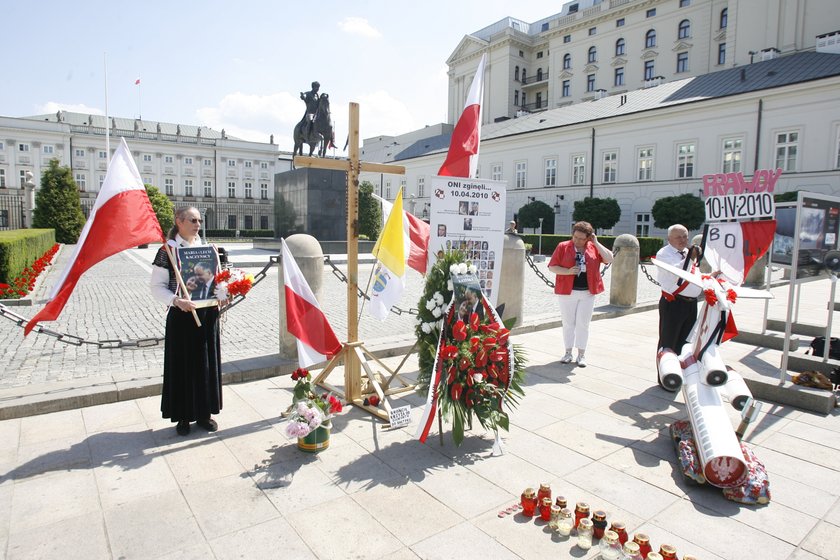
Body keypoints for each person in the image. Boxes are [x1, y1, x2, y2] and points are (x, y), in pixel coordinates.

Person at [150, 206, 224, 436]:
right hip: (182, 315)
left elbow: (219, 280)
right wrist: (175, 301)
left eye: (199, 220)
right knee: (182, 367)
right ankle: (182, 416)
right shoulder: (167, 251)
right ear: (179, 221)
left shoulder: (208, 249)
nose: (197, 224)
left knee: (205, 364)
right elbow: (156, 287)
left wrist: (222, 294)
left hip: (207, 314)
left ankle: (204, 413)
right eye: (193, 220)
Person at [547, 221, 614, 367]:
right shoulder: (563, 246)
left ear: (588, 237)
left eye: (581, 238)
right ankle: (568, 352)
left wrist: (596, 242)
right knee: (568, 323)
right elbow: (552, 266)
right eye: (575, 237)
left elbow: (609, 258)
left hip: (587, 292)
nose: (577, 241)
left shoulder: (592, 247)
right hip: (567, 291)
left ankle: (581, 354)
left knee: (583, 324)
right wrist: (567, 271)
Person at [656, 224, 702, 360]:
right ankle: (666, 376)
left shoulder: (688, 253)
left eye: (685, 236)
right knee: (669, 342)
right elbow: (676, 273)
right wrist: (690, 259)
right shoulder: (664, 254)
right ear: (669, 239)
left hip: (691, 304)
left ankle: (683, 372)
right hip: (674, 303)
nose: (683, 240)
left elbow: (694, 275)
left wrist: (710, 276)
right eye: (678, 237)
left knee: (686, 342)